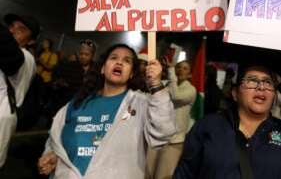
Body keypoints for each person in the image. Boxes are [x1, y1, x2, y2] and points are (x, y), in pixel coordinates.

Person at [173, 60, 281, 179]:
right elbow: (184, 174)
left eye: (268, 83)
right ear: (235, 93)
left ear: (274, 95)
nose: (261, 87)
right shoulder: (208, 126)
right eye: (251, 81)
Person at [37, 44, 176, 178]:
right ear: (103, 68)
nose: (119, 63)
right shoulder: (77, 102)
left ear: (132, 73)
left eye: (127, 61)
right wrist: (53, 155)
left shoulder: (140, 104)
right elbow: (55, 138)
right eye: (114, 58)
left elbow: (163, 131)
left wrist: (156, 85)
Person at [0, 13, 39, 167]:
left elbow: (9, 53)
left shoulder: (26, 57)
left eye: (21, 30)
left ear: (31, 41)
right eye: (11, 27)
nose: (12, 31)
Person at [146, 59, 196, 179]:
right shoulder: (167, 84)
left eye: (185, 68)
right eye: (178, 67)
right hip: (156, 137)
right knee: (146, 173)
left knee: (162, 176)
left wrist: (171, 72)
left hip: (174, 141)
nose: (180, 70)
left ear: (190, 74)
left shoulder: (191, 90)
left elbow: (176, 96)